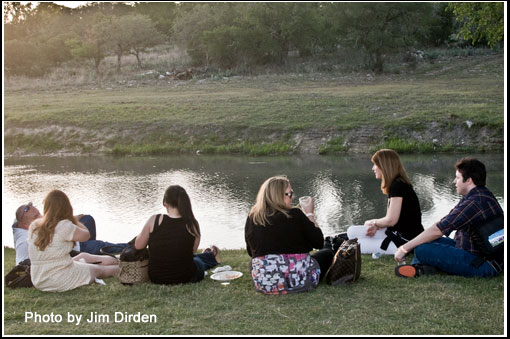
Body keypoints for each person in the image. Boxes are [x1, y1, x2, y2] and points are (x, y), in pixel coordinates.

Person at [394, 157, 504, 278]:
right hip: (473, 251)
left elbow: (439, 229)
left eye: (457, 178)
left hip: (482, 264)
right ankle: (423, 268)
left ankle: (419, 268)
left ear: (469, 180)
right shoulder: (481, 194)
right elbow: (445, 223)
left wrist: (404, 248)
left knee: (422, 249)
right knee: (425, 240)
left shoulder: (474, 202)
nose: (454, 181)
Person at [245, 175, 341, 295]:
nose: (292, 197)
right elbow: (318, 242)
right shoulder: (295, 214)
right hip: (301, 281)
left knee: (252, 263)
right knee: (327, 253)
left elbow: (251, 252)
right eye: (289, 194)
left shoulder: (253, 216)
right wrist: (310, 213)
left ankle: (271, 280)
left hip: (265, 284)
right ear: (277, 196)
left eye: (292, 193)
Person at [27, 190, 120, 292]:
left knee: (84, 256)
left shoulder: (34, 225)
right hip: (59, 278)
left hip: (39, 279)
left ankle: (119, 260)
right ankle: (125, 268)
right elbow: (86, 235)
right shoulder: (64, 225)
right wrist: (71, 218)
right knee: (100, 270)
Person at [134, 185, 220, 284]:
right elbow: (191, 252)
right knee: (198, 261)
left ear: (165, 203)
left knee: (196, 259)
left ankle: (209, 254)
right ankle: (211, 254)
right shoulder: (192, 224)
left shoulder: (154, 220)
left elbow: (138, 245)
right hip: (187, 277)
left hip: (157, 277)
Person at [347, 149, 424, 256]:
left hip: (406, 240)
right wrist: (377, 226)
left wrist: (374, 223)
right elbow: (393, 220)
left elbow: (391, 220)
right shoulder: (396, 184)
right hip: (396, 233)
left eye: (375, 165)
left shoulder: (398, 186)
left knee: (356, 244)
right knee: (351, 231)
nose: (373, 168)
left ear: (384, 166)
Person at [12, 203, 128, 265]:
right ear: (24, 225)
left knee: (87, 219)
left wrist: (71, 219)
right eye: (36, 216)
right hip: (73, 248)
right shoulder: (23, 240)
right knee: (102, 245)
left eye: (39, 213)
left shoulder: (30, 225)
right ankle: (132, 247)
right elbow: (21, 264)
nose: (41, 217)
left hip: (72, 239)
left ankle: (93, 253)